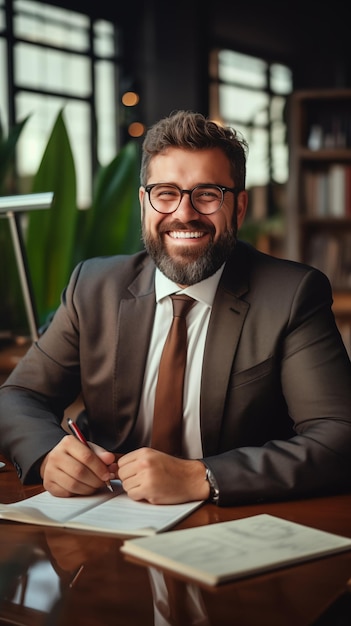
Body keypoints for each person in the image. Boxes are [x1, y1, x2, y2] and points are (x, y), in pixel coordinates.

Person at [0, 110, 351, 507]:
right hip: (104, 515)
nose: (184, 214)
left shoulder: (291, 295)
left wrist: (204, 476)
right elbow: (19, 396)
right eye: (165, 193)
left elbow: (339, 434)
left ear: (238, 208)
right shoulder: (93, 287)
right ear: (144, 203)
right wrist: (49, 453)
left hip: (233, 521)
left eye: (207, 195)